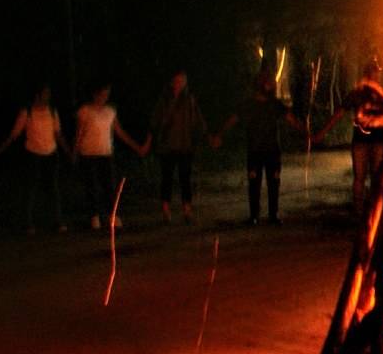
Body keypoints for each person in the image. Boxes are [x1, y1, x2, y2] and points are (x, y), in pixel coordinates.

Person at [217, 63, 306, 226]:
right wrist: (220, 135)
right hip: (255, 150)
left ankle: (273, 214)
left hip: (272, 150)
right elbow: (233, 119)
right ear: (259, 84)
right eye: (267, 82)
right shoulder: (249, 104)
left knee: (274, 183)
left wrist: (307, 134)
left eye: (270, 82)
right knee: (254, 183)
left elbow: (291, 119)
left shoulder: (275, 104)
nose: (270, 84)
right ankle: (254, 216)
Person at [319, 62, 383, 217]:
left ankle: (374, 211)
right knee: (360, 177)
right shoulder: (358, 93)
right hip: (362, 141)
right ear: (368, 74)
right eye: (375, 72)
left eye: (378, 72)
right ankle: (359, 210)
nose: (378, 75)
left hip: (378, 140)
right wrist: (322, 133)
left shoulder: (381, 94)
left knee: (376, 176)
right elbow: (339, 113)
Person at [74, 82, 149, 230]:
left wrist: (136, 147)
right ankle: (94, 216)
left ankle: (113, 215)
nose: (104, 97)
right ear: (95, 94)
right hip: (88, 153)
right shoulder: (85, 111)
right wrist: (74, 152)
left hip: (106, 153)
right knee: (92, 186)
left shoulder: (110, 111)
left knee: (109, 186)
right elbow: (79, 133)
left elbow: (119, 132)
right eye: (102, 94)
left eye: (107, 94)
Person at [0, 84, 71, 235]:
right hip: (33, 154)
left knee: (53, 188)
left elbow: (58, 133)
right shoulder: (27, 111)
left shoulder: (52, 111)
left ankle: (57, 220)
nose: (48, 97)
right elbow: (14, 134)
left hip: (51, 153)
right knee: (30, 188)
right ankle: (28, 222)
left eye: (48, 93)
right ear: (37, 95)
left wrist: (68, 151)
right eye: (45, 93)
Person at [150, 70, 210, 224]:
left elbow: (198, 120)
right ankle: (166, 210)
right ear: (172, 82)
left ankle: (187, 210)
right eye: (178, 81)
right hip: (167, 146)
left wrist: (205, 136)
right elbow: (156, 121)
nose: (180, 84)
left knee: (185, 179)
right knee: (167, 178)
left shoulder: (189, 100)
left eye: (183, 81)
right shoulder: (164, 100)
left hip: (185, 145)